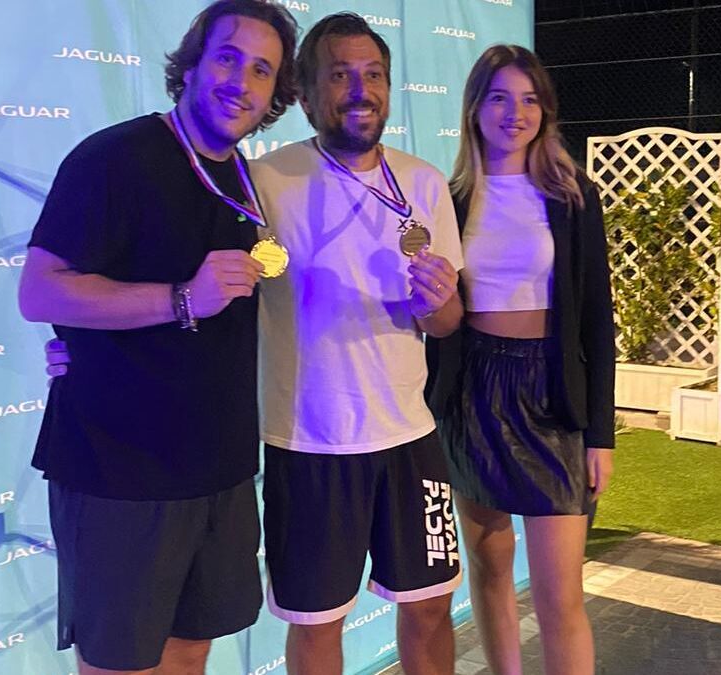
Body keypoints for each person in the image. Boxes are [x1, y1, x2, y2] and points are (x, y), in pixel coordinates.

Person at [16, 2, 298, 674]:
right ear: (192, 64)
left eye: (262, 70)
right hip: (120, 472)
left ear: (275, 95)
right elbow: (40, 291)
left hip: (220, 469)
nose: (241, 81)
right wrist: (180, 299)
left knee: (191, 653)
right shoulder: (116, 157)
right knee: (120, 665)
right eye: (227, 57)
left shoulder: (245, 179)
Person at [250, 13, 464, 675]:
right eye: (340, 75)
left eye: (373, 75)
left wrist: (438, 303)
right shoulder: (265, 182)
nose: (359, 90)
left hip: (409, 437)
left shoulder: (424, 182)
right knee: (318, 625)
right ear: (306, 93)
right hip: (309, 444)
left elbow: (447, 322)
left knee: (430, 608)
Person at [425, 44, 616, 675]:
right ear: (475, 108)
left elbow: (597, 321)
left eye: (530, 99)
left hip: (552, 392)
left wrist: (601, 434)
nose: (516, 113)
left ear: (546, 111)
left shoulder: (572, 195)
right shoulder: (450, 199)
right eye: (501, 98)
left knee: (561, 596)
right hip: (473, 390)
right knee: (490, 568)